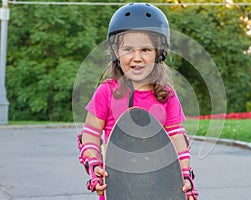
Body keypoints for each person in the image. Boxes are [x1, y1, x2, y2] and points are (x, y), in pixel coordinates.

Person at [77, 3, 199, 200]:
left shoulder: (166, 95)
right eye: (128, 49)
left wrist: (184, 176)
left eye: (146, 49)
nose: (137, 57)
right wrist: (94, 166)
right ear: (116, 52)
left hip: (160, 188)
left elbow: (177, 139)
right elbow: (89, 135)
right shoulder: (106, 92)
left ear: (159, 53)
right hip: (119, 187)